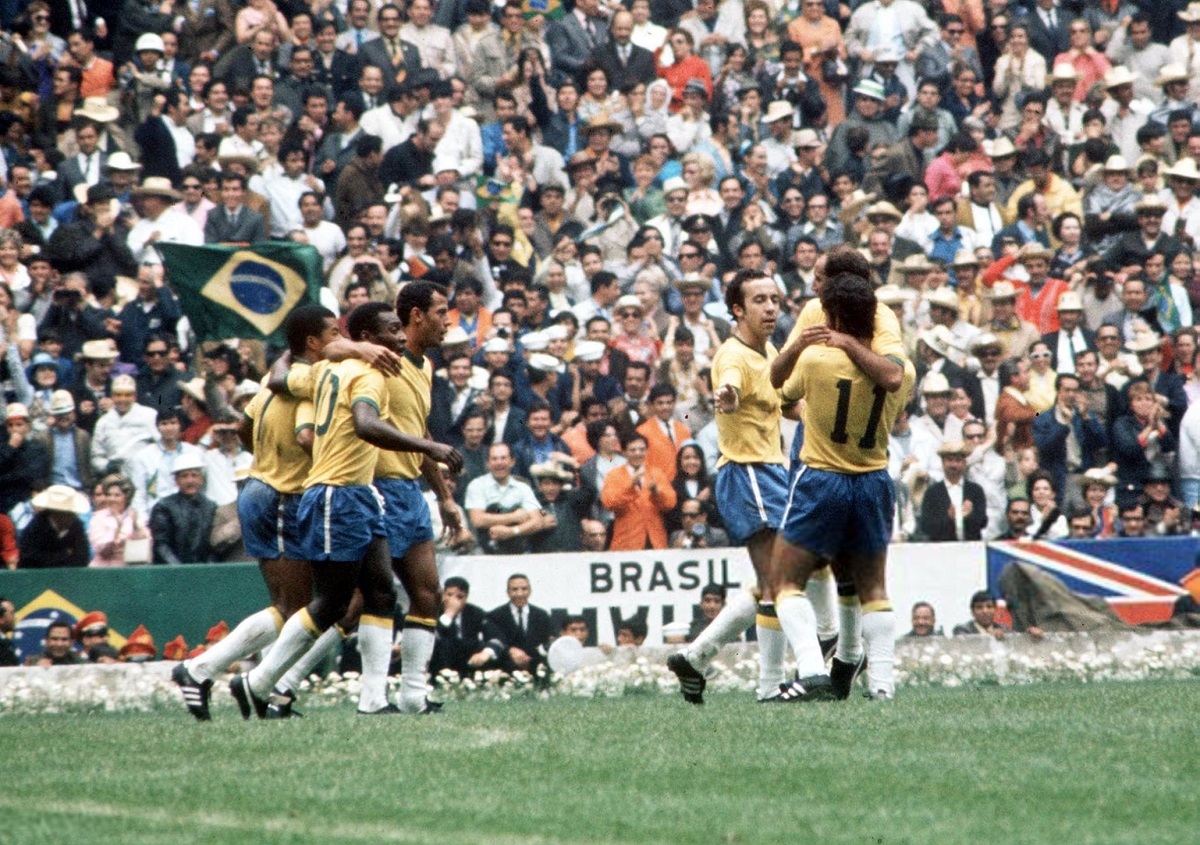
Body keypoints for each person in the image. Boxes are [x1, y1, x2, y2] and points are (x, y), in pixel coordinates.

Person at [772, 272, 915, 702]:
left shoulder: (816, 360)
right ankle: (882, 684)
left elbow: (782, 391)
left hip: (821, 479)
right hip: (873, 480)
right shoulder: (902, 370)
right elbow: (891, 379)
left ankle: (812, 669)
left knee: (784, 580)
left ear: (832, 316)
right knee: (873, 587)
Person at [666, 270, 796, 704]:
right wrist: (726, 398)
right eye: (759, 300)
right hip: (748, 472)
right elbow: (729, 388)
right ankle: (771, 686)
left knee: (774, 580)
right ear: (737, 310)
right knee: (778, 581)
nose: (771, 307)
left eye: (774, 299)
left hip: (771, 471)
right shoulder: (733, 354)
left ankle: (696, 655)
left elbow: (786, 406)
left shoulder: (769, 351)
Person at [359, 286, 464, 714]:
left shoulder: (425, 367)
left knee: (427, 594)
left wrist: (444, 497)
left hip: (409, 490)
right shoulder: (380, 360)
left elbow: (418, 434)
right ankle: (364, 697)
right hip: (375, 486)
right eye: (441, 312)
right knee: (362, 601)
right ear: (417, 315)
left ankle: (413, 696)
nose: (448, 321)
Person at [602, 432, 676, 551]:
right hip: (627, 540)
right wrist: (630, 487)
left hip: (655, 539)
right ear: (624, 452)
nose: (638, 453)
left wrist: (656, 492)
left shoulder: (656, 473)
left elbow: (670, 503)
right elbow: (609, 502)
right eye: (633, 450)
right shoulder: (614, 475)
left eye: (642, 450)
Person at [149, 453, 218, 564]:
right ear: (176, 481)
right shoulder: (164, 507)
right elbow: (160, 544)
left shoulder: (211, 507)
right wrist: (179, 570)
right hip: (170, 570)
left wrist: (208, 569)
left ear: (201, 479)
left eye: (194, 475)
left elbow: (213, 545)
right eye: (184, 476)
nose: (190, 481)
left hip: (203, 570)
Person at [430, 576, 503, 678]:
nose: (453, 600)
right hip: (441, 663)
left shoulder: (475, 612)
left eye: (459, 597)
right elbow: (431, 637)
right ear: (443, 595)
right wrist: (448, 615)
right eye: (449, 595)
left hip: (470, 660)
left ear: (466, 597)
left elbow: (495, 636)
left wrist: (486, 653)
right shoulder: (432, 611)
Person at [483, 573, 553, 674]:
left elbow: (547, 642)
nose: (520, 594)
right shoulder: (494, 616)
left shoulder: (542, 615)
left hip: (536, 672)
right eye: (515, 589)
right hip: (504, 672)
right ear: (508, 592)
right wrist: (510, 650)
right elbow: (492, 642)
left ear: (530, 591)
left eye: (524, 589)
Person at [919, 440, 988, 542]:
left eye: (958, 460)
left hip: (970, 546)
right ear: (943, 463)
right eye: (949, 460)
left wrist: (970, 516)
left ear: (964, 463)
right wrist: (948, 518)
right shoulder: (932, 492)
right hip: (942, 547)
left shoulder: (975, 490)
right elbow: (926, 526)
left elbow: (983, 522)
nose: (954, 465)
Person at [18, 484, 90, 568]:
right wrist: (64, 554)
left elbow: (82, 557)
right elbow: (29, 556)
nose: (72, 517)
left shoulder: (77, 526)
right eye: (67, 514)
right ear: (55, 513)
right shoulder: (36, 526)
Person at [88, 474, 149, 567]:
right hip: (102, 569)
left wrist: (135, 526)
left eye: (117, 495)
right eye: (109, 495)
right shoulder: (98, 517)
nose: (112, 499)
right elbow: (102, 551)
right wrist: (118, 527)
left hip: (129, 569)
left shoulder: (135, 516)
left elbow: (144, 545)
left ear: (126, 497)